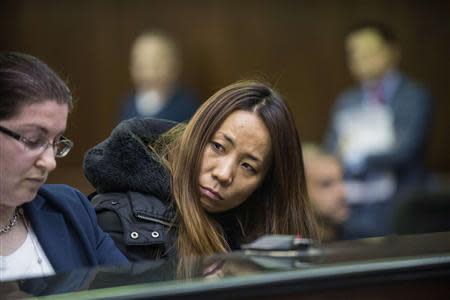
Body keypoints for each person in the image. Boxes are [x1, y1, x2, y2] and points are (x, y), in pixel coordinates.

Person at [84, 80, 317, 270]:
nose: (223, 174)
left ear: (265, 183)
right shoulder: (118, 220)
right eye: (218, 147)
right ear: (194, 135)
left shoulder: (258, 228)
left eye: (248, 167)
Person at [0, 52, 128, 282]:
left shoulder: (71, 209)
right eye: (33, 139)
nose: (50, 161)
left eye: (57, 142)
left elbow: (133, 291)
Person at [324, 21, 433, 238]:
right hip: (352, 207)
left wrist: (358, 156)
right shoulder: (346, 100)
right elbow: (331, 150)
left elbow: (406, 150)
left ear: (392, 52)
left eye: (369, 51)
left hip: (401, 206)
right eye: (354, 53)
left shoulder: (415, 96)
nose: (361, 58)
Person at [118, 30, 200, 123]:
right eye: (141, 65)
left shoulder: (186, 105)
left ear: (174, 65)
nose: (149, 73)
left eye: (156, 65)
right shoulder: (128, 104)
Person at [303, 143, 349, 242]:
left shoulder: (358, 239)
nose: (343, 193)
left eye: (342, 179)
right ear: (299, 192)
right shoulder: (287, 251)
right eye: (326, 184)